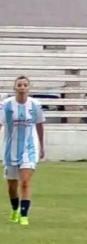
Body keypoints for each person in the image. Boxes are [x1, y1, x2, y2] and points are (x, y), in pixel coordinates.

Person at [1, 76, 45, 226]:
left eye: (25, 85)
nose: (22, 87)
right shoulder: (6, 105)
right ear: (15, 87)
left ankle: (24, 215)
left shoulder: (35, 105)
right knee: (12, 185)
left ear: (28, 88)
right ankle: (15, 209)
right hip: (10, 149)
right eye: (19, 85)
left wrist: (42, 145)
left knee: (25, 182)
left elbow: (39, 125)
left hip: (29, 148)